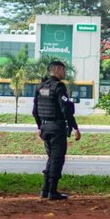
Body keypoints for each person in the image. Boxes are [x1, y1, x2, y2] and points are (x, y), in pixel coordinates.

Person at [32, 60, 81, 200]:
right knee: (57, 159)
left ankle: (45, 190)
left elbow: (35, 111)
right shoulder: (58, 87)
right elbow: (66, 109)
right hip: (56, 128)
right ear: (57, 70)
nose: (64, 73)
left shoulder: (40, 87)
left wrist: (39, 127)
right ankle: (52, 191)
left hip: (45, 128)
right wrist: (75, 127)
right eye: (63, 70)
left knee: (51, 158)